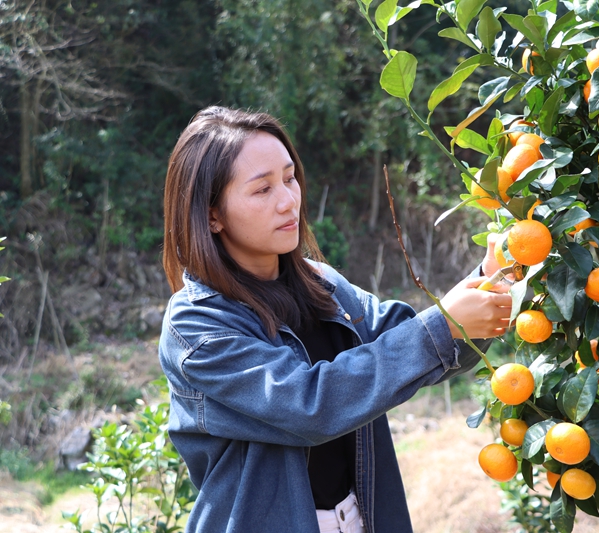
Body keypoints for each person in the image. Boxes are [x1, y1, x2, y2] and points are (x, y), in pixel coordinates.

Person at [158, 106, 512, 533]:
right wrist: (444, 325)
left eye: (290, 178)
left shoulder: (321, 285)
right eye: (262, 189)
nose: (288, 201)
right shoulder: (196, 325)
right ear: (212, 214)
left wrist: (491, 280)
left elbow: (416, 343)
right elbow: (309, 406)